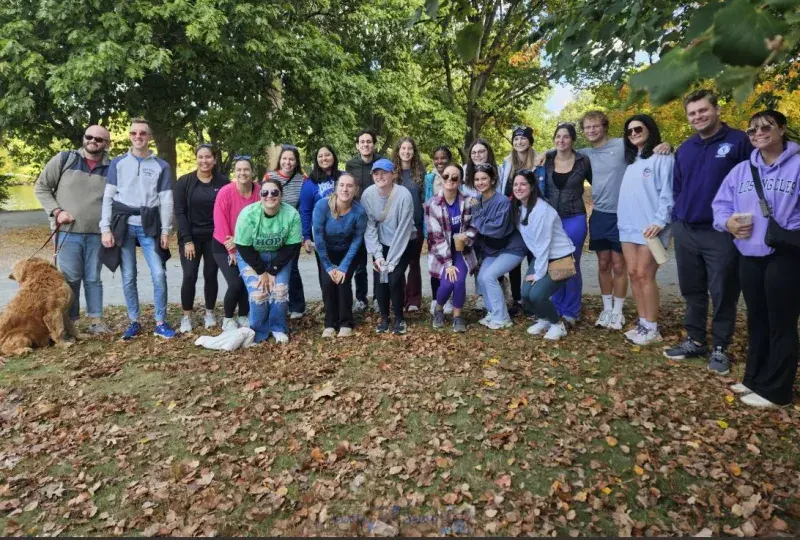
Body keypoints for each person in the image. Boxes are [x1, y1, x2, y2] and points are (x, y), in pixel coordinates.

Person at [536, 113, 671, 330]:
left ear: (605, 126)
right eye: (587, 127)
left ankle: (617, 311)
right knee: (603, 264)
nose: (591, 130)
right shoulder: (585, 155)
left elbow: (646, 147)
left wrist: (666, 145)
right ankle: (606, 309)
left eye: (595, 126)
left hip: (623, 214)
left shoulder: (622, 144)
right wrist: (545, 152)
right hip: (599, 214)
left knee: (619, 265)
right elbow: (563, 149)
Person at [712, 110, 800, 408]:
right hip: (749, 254)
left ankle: (777, 391)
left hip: (785, 254)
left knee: (781, 322)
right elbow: (721, 205)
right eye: (752, 130)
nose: (758, 134)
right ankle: (754, 379)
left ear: (782, 129)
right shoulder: (741, 171)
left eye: (765, 127)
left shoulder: (798, 166)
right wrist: (728, 223)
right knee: (757, 318)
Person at [664, 90, 753, 374]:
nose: (698, 117)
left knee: (723, 290)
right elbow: (678, 187)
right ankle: (695, 340)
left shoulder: (739, 141)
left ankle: (720, 347)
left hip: (721, 232)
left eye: (703, 110)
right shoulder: (686, 148)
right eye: (692, 113)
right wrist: (678, 217)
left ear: (716, 110)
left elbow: (753, 182)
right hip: (687, 230)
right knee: (692, 289)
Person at [100, 118, 175, 340]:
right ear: (130, 136)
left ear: (149, 137)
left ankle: (160, 321)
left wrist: (165, 230)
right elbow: (108, 197)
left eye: (143, 133)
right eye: (134, 133)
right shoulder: (118, 163)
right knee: (129, 275)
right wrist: (105, 228)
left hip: (149, 225)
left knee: (158, 273)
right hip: (123, 224)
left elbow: (166, 199)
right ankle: (134, 320)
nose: (138, 136)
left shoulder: (161, 166)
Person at [34, 124, 112, 335]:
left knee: (93, 278)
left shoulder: (112, 167)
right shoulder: (65, 159)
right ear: (84, 137)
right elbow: (41, 187)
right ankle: (70, 324)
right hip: (67, 232)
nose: (93, 141)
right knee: (70, 279)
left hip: (97, 234)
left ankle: (96, 321)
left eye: (99, 139)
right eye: (89, 136)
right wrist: (57, 211)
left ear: (107, 144)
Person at [617, 114, 674, 345]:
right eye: (629, 131)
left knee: (645, 274)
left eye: (638, 129)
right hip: (628, 226)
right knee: (633, 274)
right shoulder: (632, 161)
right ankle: (642, 323)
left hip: (651, 228)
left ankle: (652, 327)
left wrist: (660, 221)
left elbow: (668, 192)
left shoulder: (663, 157)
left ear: (650, 129)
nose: (633, 134)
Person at [234, 179, 302, 344]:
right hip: (251, 255)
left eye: (274, 192)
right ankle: (258, 332)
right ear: (260, 195)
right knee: (259, 293)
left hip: (280, 255)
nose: (269, 196)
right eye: (265, 192)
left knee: (280, 291)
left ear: (281, 195)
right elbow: (243, 246)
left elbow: (292, 246)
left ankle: (278, 327)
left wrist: (273, 270)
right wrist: (261, 271)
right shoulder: (248, 214)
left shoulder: (292, 214)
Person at [512, 169, 575, 341]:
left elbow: (543, 245)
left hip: (562, 259)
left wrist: (539, 274)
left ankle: (558, 325)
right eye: (515, 184)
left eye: (523, 184)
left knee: (537, 295)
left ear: (532, 186)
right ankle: (544, 320)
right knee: (525, 294)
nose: (518, 188)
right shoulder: (520, 208)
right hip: (542, 257)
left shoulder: (542, 210)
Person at [175, 144, 228, 333]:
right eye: (201, 157)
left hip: (214, 237)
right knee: (189, 275)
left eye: (208, 157)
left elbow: (228, 210)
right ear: (196, 158)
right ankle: (186, 316)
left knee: (211, 274)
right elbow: (180, 212)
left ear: (214, 159)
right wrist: (187, 240)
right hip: (191, 237)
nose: (204, 161)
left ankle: (209, 313)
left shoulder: (223, 182)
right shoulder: (185, 182)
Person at [543, 123, 593, 326]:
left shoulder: (583, 161)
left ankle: (571, 311)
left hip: (575, 217)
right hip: (552, 220)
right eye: (558, 136)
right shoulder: (547, 160)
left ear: (572, 140)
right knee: (556, 262)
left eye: (566, 137)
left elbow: (598, 183)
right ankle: (556, 307)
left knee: (571, 263)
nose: (561, 140)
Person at [361, 158, 416, 334]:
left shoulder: (404, 195)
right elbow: (369, 227)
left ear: (393, 174)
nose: (380, 176)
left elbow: (404, 230)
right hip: (380, 243)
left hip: (403, 243)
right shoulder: (368, 195)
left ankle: (400, 319)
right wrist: (378, 256)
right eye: (376, 173)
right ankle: (385, 318)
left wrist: (391, 262)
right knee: (381, 280)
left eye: (384, 173)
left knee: (394, 278)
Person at [471, 163, 527, 329]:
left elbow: (496, 230)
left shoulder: (502, 201)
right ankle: (493, 312)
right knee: (482, 278)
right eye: (477, 179)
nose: (480, 182)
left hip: (512, 247)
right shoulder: (477, 200)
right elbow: (476, 228)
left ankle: (502, 318)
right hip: (494, 249)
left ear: (493, 179)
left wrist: (477, 212)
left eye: (484, 178)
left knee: (489, 276)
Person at [312, 173, 367, 337]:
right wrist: (328, 266)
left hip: (349, 251)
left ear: (355, 190)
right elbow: (318, 237)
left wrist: (343, 267)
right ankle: (330, 323)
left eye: (350, 186)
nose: (345, 189)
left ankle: (346, 322)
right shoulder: (322, 206)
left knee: (343, 281)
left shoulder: (359, 211)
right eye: (342, 185)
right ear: (336, 188)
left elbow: (357, 240)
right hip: (326, 251)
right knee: (328, 282)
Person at [426, 164, 477, 333]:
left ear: (460, 181)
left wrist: (467, 237)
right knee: (447, 284)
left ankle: (457, 316)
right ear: (441, 178)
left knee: (459, 281)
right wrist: (448, 264)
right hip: (441, 253)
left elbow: (474, 226)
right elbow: (435, 237)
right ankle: (439, 308)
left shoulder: (468, 201)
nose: (450, 180)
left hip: (462, 251)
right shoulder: (432, 204)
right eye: (446, 176)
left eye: (455, 177)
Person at [212, 156, 260, 331]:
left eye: (246, 169)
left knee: (248, 280)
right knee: (236, 282)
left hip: (248, 244)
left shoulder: (259, 192)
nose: (242, 173)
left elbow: (260, 221)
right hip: (223, 245)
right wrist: (232, 250)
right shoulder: (225, 192)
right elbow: (220, 221)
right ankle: (227, 318)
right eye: (239, 169)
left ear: (252, 172)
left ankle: (243, 315)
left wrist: (240, 242)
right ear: (234, 172)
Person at [499, 126, 539, 315]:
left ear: (530, 141)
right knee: (513, 260)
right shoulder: (507, 163)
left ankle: (532, 298)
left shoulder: (539, 161)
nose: (519, 142)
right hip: (513, 218)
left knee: (533, 258)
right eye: (516, 139)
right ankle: (517, 299)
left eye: (523, 138)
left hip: (533, 217)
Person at [345, 129, 385, 313]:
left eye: (369, 141)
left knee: (379, 259)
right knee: (360, 263)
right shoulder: (351, 164)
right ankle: (361, 299)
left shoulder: (382, 162)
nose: (366, 145)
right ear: (357, 145)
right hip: (358, 217)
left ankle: (379, 298)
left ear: (374, 144)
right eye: (362, 142)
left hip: (379, 217)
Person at [266, 144, 307, 319]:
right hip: (271, 229)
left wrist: (304, 233)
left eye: (291, 159)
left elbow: (304, 206)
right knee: (271, 265)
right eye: (285, 158)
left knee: (292, 267)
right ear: (280, 160)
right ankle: (271, 302)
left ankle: (297, 306)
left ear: (296, 162)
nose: (287, 162)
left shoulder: (302, 180)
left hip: (292, 229)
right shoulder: (270, 176)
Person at [463, 138, 501, 310]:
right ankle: (481, 294)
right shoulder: (465, 171)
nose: (477, 155)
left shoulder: (499, 170)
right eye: (474, 152)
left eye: (481, 151)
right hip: (472, 223)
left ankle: (498, 292)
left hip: (493, 220)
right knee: (477, 259)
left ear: (488, 153)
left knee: (493, 258)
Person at [299, 145, 342, 289]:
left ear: (334, 156)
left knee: (343, 272)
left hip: (343, 231)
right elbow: (305, 211)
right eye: (320, 156)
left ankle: (343, 302)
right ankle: (329, 301)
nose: (324, 158)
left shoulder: (343, 177)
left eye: (327, 154)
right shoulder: (310, 183)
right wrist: (306, 237)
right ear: (316, 160)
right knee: (326, 273)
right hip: (320, 233)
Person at [392, 137, 427, 312]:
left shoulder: (420, 171)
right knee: (398, 262)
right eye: (403, 148)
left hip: (416, 223)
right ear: (398, 151)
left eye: (410, 148)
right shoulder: (392, 172)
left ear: (414, 151)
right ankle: (400, 297)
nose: (406, 152)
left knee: (414, 261)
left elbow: (424, 199)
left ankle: (413, 300)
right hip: (396, 225)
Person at [425, 146, 454, 315]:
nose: (439, 161)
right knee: (436, 265)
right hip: (434, 227)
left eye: (443, 158)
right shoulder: (430, 178)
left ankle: (448, 299)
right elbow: (426, 201)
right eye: (436, 158)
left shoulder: (455, 174)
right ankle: (435, 299)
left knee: (452, 264)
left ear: (449, 159)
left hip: (452, 227)